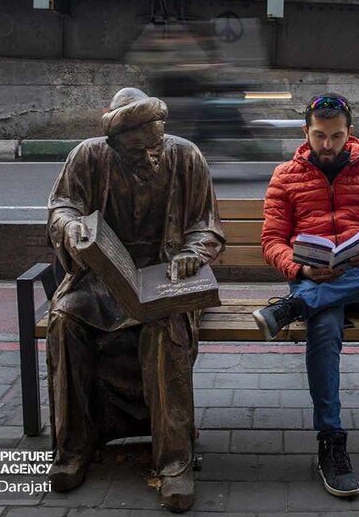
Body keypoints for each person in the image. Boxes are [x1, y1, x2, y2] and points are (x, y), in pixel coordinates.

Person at [45, 87, 225, 513]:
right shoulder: (87, 157)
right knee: (65, 321)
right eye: (135, 150)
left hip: (166, 275)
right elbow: (62, 207)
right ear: (114, 143)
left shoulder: (187, 157)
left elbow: (207, 226)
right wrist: (70, 228)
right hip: (103, 280)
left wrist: (191, 254)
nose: (148, 157)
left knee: (165, 325)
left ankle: (175, 460)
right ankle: (74, 446)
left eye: (155, 145)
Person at [253, 93, 359, 498]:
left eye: (336, 136)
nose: (328, 145)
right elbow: (272, 241)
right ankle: (330, 440)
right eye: (319, 136)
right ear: (305, 132)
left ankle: (294, 308)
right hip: (312, 276)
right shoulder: (286, 175)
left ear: (350, 133)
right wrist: (301, 270)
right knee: (325, 328)